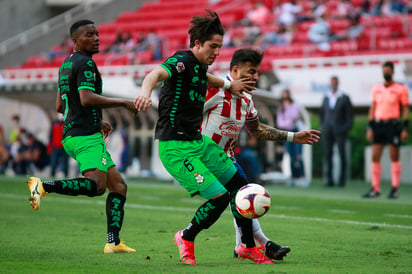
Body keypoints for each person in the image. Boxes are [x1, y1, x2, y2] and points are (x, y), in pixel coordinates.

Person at [135, 10, 276, 265]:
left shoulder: (199, 67)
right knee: (220, 198)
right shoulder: (181, 60)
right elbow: (154, 74)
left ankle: (246, 247)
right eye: (213, 46)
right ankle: (186, 236)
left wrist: (227, 85)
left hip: (198, 143)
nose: (217, 52)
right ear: (197, 43)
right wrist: (146, 93)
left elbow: (205, 76)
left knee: (240, 188)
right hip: (176, 148)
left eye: (220, 47)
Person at [26, 19, 138, 253]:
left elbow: (60, 105)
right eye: (89, 35)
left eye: (97, 34)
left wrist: (97, 119)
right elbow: (86, 98)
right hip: (85, 136)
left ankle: (113, 242)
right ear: (76, 40)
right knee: (97, 186)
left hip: (78, 133)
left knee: (118, 186)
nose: (96, 38)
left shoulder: (66, 63)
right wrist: (123, 103)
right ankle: (43, 185)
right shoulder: (86, 64)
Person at [201, 48, 320, 260]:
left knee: (242, 197)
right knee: (242, 194)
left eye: (258, 72)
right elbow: (189, 113)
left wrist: (294, 137)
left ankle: (247, 246)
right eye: (251, 71)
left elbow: (257, 129)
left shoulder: (246, 98)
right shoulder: (215, 90)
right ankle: (258, 245)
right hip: (205, 157)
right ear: (235, 71)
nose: (256, 77)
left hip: (226, 158)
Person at [363, 61, 409, 199]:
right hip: (379, 124)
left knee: (394, 156)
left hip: (393, 124)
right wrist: (370, 126)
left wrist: (405, 127)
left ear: (393, 72)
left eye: (388, 71)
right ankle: (375, 188)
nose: (386, 73)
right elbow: (373, 107)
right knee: (375, 156)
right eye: (384, 71)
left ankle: (395, 188)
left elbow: (406, 108)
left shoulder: (401, 88)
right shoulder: (376, 88)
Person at [320, 76, 354, 187]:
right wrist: (323, 127)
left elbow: (349, 116)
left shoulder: (344, 97)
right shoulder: (326, 97)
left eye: (335, 82)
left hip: (340, 131)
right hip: (327, 131)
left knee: (342, 155)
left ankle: (342, 180)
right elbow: (322, 114)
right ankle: (329, 179)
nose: (333, 84)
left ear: (338, 83)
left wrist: (345, 128)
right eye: (332, 82)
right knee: (327, 154)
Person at [276, 89, 308, 186]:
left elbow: (295, 116)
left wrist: (289, 118)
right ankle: (293, 177)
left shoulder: (295, 105)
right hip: (288, 133)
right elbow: (280, 123)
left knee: (298, 155)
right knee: (290, 155)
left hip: (296, 131)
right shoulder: (281, 109)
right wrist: (289, 121)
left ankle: (302, 177)